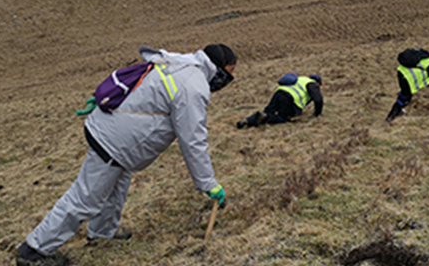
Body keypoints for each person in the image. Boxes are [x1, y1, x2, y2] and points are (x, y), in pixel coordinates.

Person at [16, 44, 237, 266]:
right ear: (218, 68)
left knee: (117, 184)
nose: (228, 79)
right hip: (113, 141)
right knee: (84, 200)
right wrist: (207, 183)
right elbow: (193, 140)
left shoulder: (179, 62)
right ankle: (33, 251)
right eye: (229, 72)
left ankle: (102, 232)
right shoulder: (194, 86)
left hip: (112, 130)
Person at [385, 47, 429, 123]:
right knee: (405, 98)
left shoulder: (428, 56)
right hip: (408, 78)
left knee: (404, 96)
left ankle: (395, 113)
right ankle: (390, 117)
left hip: (401, 72)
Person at [236, 73, 323, 129]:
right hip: (289, 98)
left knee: (268, 111)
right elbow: (318, 99)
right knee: (282, 118)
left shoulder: (300, 78)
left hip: (279, 92)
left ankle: (247, 121)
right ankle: (266, 117)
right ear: (318, 83)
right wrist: (317, 113)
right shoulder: (312, 84)